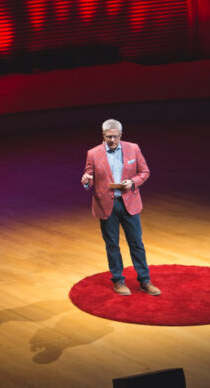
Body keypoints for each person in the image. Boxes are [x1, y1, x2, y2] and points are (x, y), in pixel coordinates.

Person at [80, 119, 160, 296]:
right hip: (107, 205)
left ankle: (145, 281)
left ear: (121, 135)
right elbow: (89, 175)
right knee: (112, 245)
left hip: (129, 203)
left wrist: (132, 182)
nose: (112, 140)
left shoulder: (133, 148)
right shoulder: (93, 153)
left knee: (136, 243)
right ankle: (118, 281)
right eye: (109, 137)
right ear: (103, 135)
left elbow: (145, 172)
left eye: (115, 137)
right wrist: (87, 181)